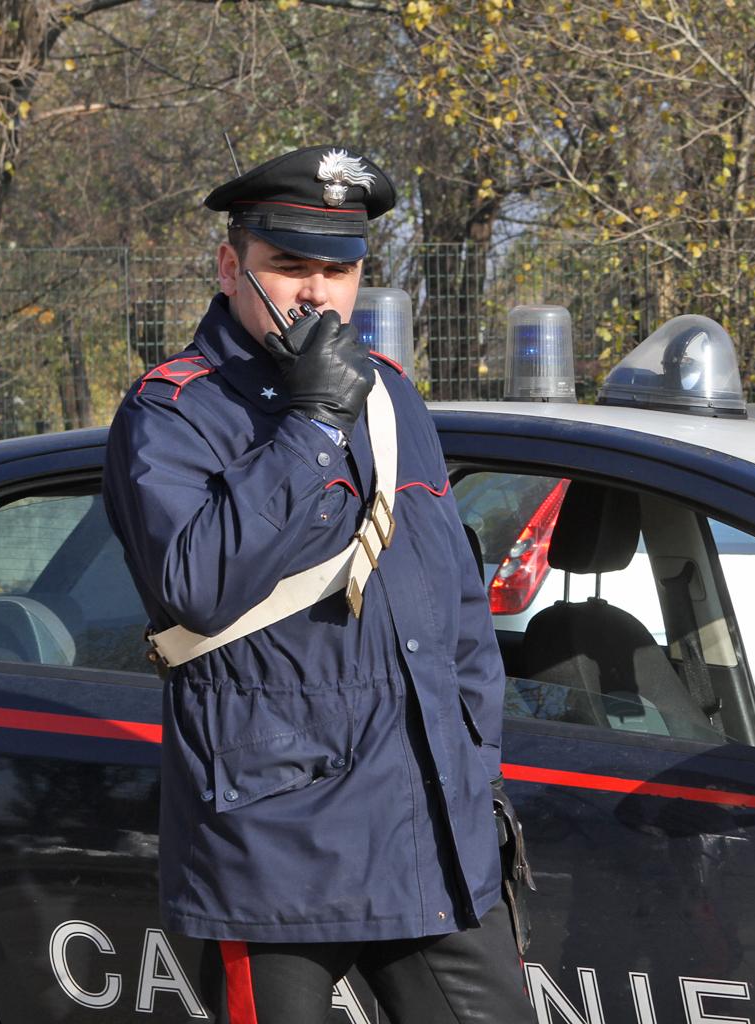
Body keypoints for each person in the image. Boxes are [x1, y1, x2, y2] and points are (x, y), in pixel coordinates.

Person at [102, 145, 534, 1023]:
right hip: (275, 842)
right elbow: (196, 583)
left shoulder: (390, 397)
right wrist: (307, 425)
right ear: (232, 267)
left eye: (337, 270)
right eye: (288, 266)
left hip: (423, 823)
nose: (315, 292)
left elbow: (453, 605)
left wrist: (470, 762)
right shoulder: (173, 411)